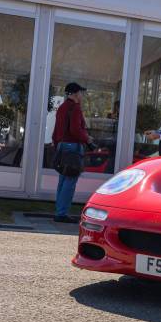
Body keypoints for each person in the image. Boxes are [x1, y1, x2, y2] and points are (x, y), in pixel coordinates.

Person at [52, 82, 92, 223]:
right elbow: (76, 130)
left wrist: (58, 144)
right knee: (70, 181)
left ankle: (59, 211)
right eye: (81, 92)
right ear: (75, 94)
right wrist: (87, 139)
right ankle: (61, 213)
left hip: (62, 145)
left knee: (63, 181)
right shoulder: (75, 108)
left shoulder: (62, 108)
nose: (82, 95)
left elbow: (56, 130)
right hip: (73, 147)